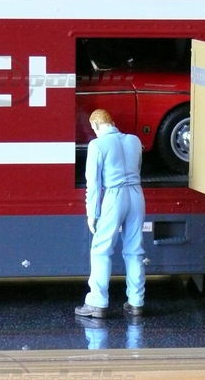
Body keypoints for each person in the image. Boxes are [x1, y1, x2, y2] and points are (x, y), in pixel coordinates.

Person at [75, 109, 146, 318]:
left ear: (95, 126)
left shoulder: (97, 145)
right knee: (135, 250)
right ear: (112, 122)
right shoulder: (134, 140)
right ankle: (136, 302)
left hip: (114, 196)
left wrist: (92, 213)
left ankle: (98, 302)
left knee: (101, 249)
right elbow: (138, 168)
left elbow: (93, 184)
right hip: (136, 194)